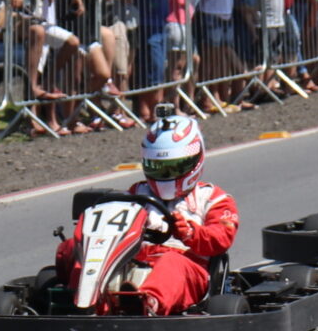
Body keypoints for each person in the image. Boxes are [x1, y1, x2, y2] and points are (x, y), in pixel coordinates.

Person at [53, 115, 237, 315]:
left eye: (174, 167)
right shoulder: (136, 193)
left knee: (171, 263)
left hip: (186, 266)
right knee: (77, 248)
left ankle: (148, 304)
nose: (166, 175)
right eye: (158, 167)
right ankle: (84, 303)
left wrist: (190, 232)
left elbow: (222, 238)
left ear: (195, 160)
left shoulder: (213, 198)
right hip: (132, 260)